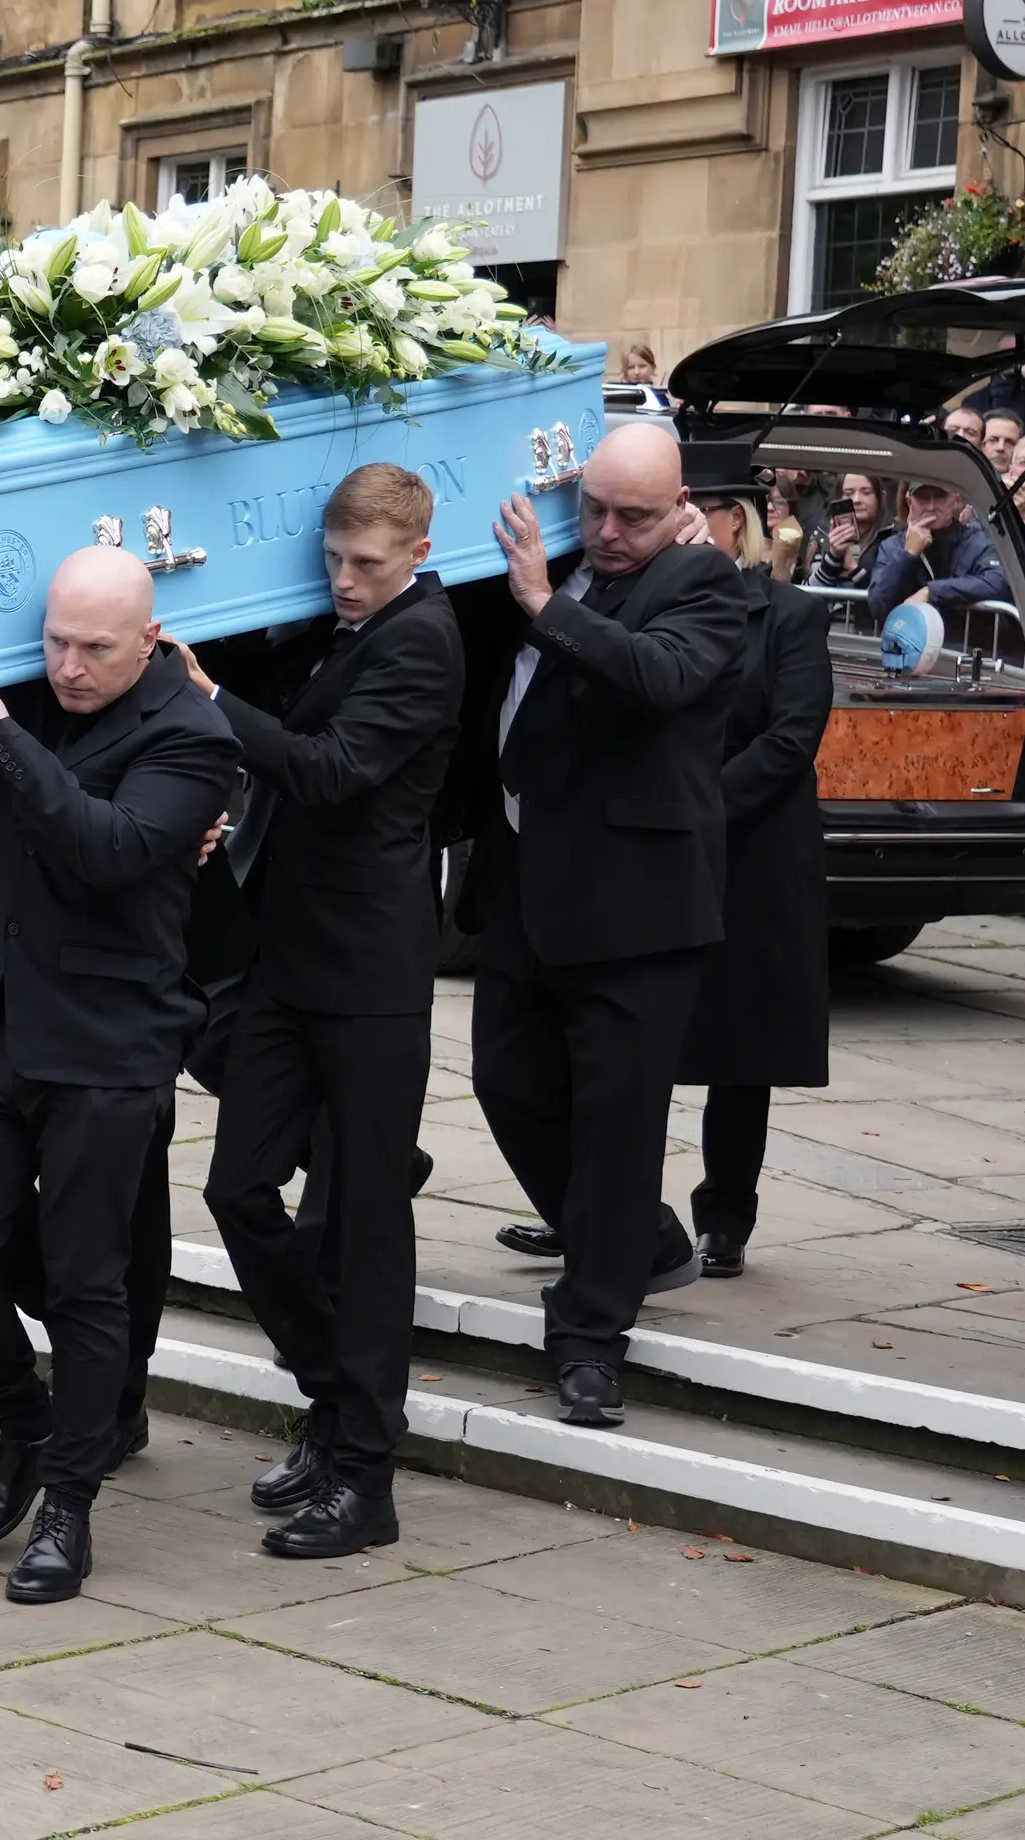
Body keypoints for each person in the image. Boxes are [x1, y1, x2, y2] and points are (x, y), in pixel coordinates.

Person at [0, 547, 237, 1605]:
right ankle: (30, 1421)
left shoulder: (195, 733)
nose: (71, 666)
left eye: (95, 648)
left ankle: (72, 1509)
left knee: (91, 1283)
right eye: (56, 641)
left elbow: (104, 848)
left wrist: (5, 736)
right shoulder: (30, 692)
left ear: (150, 638)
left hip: (107, 1037)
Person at [174, 465, 461, 1559]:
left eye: (367, 565)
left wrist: (208, 701)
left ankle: (366, 1475)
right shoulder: (343, 628)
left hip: (372, 975)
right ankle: (335, 1399)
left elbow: (332, 771)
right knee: (238, 1185)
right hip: (290, 964)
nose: (344, 580)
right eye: (335, 558)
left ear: (416, 554)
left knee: (369, 1228)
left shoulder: (423, 636)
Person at [469, 423, 753, 1428]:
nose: (606, 531)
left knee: (617, 1130)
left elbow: (656, 677)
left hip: (638, 907)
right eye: (593, 508)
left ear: (681, 506)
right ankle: (641, 1242)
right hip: (527, 888)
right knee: (506, 1083)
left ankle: (591, 1335)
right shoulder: (559, 557)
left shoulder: (704, 584)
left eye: (632, 514)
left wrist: (544, 604)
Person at [671, 447, 835, 1280]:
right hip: (657, 850)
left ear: (728, 520)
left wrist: (692, 806)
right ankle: (596, 1205)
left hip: (750, 854)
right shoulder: (645, 608)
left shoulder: (789, 617)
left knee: (738, 1049)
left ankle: (725, 1216)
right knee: (626, 1040)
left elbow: (789, 739)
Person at [866, 476, 1009, 626]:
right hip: (910, 643)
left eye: (940, 496)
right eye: (923, 497)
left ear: (955, 499)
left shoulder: (976, 541)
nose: (931, 507)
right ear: (909, 502)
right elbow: (878, 604)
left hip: (963, 643)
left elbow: (996, 582)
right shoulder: (892, 545)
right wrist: (907, 554)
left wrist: (931, 592)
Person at [804, 472, 887, 591]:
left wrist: (853, 569)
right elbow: (808, 594)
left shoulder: (893, 537)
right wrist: (833, 557)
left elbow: (887, 597)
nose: (856, 500)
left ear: (882, 497)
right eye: (848, 493)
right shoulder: (823, 535)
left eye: (866, 492)